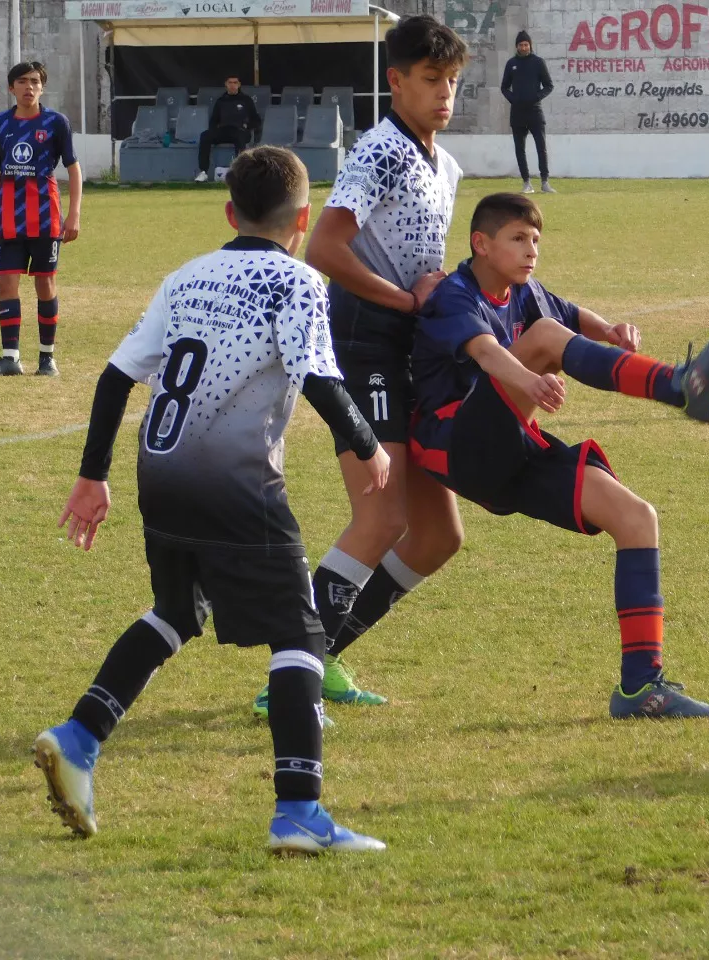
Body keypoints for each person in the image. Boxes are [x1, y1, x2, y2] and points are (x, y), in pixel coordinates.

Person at [34, 146, 391, 854]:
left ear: (229, 212)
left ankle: (78, 738)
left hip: (161, 473)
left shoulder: (187, 276)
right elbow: (319, 378)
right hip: (235, 484)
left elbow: (114, 378)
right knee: (301, 634)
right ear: (304, 219)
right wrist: (367, 443)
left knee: (177, 610)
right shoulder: (297, 281)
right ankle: (299, 812)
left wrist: (92, 474)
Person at [410, 193, 709, 718]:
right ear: (481, 244)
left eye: (536, 240)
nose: (531, 250)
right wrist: (529, 379)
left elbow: (572, 315)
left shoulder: (524, 290)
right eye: (518, 238)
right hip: (455, 445)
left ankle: (641, 688)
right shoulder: (455, 294)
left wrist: (610, 331)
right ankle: (677, 387)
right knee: (541, 338)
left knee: (636, 517)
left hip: (509, 449)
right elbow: (486, 353)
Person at [250, 15, 468, 720]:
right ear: (395, 81)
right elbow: (325, 248)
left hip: (413, 349)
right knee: (380, 516)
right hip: (365, 343)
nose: (444, 93)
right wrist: (404, 300)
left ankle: (325, 653)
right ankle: (289, 675)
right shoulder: (379, 151)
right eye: (431, 79)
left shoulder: (446, 166)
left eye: (452, 81)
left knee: (438, 537)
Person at [0, 61, 81, 378]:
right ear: (11, 88)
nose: (29, 87)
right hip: (7, 217)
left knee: (45, 283)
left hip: (45, 216)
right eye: (22, 81)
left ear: (42, 87)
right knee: (5, 281)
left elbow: (73, 168)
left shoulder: (56, 123)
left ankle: (47, 359)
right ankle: (11, 358)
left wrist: (74, 214)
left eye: (35, 81)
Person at [501, 31, 554, 195]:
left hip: (535, 112)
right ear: (516, 46)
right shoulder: (511, 64)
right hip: (517, 113)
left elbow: (549, 85)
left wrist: (536, 97)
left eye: (526, 45)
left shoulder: (538, 62)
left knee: (541, 147)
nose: (523, 48)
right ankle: (526, 183)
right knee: (520, 149)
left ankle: (545, 182)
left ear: (530, 45)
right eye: (521, 45)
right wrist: (513, 99)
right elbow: (504, 87)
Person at [194, 75, 261, 183]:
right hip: (224, 130)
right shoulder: (221, 100)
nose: (232, 85)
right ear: (226, 84)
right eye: (230, 82)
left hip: (241, 131)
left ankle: (241, 172)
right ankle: (203, 172)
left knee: (239, 136)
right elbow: (214, 120)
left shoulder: (246, 100)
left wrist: (247, 126)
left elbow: (256, 120)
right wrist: (213, 130)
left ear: (239, 85)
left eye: (235, 82)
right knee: (205, 136)